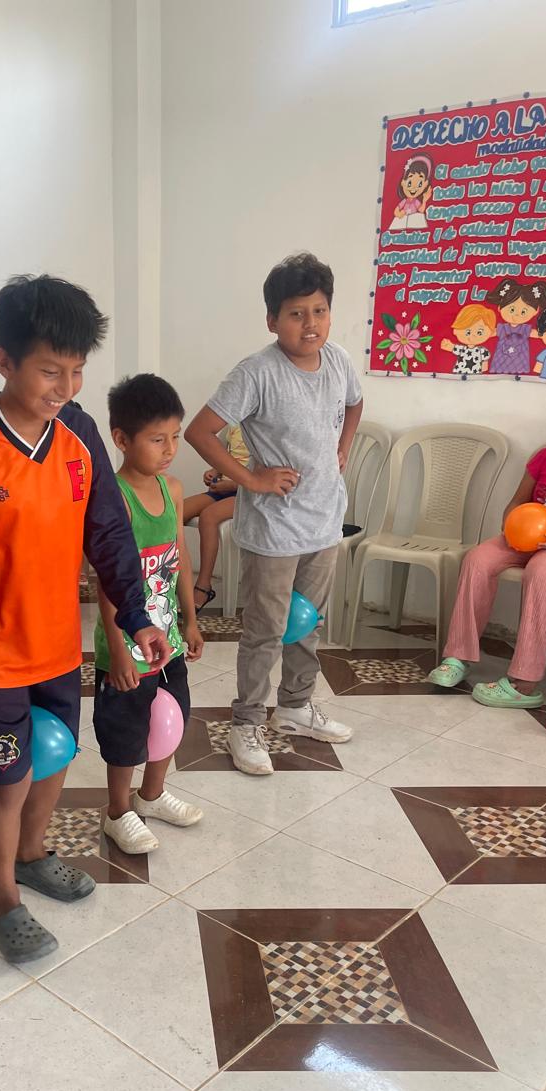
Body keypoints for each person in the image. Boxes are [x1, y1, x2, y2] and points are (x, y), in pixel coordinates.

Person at [0, 274, 172, 963]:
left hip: (58, 643)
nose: (66, 387)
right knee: (8, 778)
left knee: (55, 756)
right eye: (51, 370)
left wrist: (137, 614)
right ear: (4, 361)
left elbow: (108, 530)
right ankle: (2, 899)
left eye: (78, 371)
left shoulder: (78, 433)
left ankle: (31, 855)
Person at [185, 252, 363, 776]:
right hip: (274, 529)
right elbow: (200, 432)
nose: (310, 324)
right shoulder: (257, 372)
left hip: (324, 521)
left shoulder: (339, 361)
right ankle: (245, 723)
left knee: (308, 626)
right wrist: (252, 479)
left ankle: (295, 706)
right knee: (265, 631)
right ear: (272, 320)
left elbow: (355, 403)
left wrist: (343, 448)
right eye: (296, 314)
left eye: (320, 311)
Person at [95, 374, 204, 854]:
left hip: (168, 638)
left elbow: (179, 557)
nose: (170, 449)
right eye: (157, 439)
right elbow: (106, 581)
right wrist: (118, 651)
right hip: (127, 645)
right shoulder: (114, 498)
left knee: (173, 714)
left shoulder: (173, 488)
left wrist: (191, 619)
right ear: (122, 439)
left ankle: (152, 795)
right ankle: (118, 812)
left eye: (175, 436)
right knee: (126, 731)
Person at [429, 430, 546, 708]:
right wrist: (511, 523)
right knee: (477, 559)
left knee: (540, 571)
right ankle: (458, 657)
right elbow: (517, 502)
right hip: (528, 534)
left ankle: (525, 682)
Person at [182, 422, 250, 612]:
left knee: (209, 516)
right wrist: (214, 472)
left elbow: (262, 476)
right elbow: (221, 457)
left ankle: (203, 586)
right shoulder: (233, 425)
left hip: (247, 494)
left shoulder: (264, 427)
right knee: (174, 511)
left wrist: (232, 485)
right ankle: (167, 578)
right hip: (223, 489)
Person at [486, 279, 546, 376]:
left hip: (519, 360)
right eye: (512, 310)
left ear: (536, 311)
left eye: (523, 311)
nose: (517, 315)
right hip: (501, 359)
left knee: (519, 374)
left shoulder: (525, 329)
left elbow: (540, 335)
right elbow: (488, 334)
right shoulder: (502, 328)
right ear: (500, 308)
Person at [440, 304, 496, 376]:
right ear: (455, 331)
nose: (473, 336)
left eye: (479, 332)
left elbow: (485, 368)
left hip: (475, 377)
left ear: (491, 333)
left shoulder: (483, 351)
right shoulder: (461, 349)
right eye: (468, 332)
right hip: (458, 376)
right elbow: (450, 347)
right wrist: (447, 345)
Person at [388, 154, 433, 230]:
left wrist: (424, 200)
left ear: (425, 184)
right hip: (402, 223)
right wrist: (399, 214)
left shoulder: (416, 202)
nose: (414, 187)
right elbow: (396, 210)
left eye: (420, 184)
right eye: (409, 183)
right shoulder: (404, 201)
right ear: (403, 182)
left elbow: (421, 210)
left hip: (414, 224)